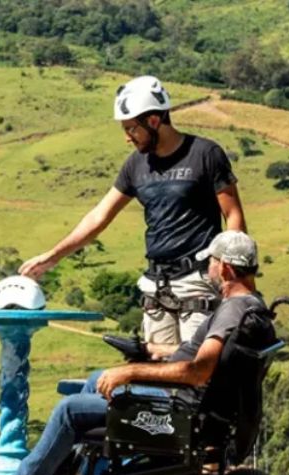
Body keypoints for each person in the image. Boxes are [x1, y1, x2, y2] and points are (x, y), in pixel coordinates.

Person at [0, 231, 268, 475]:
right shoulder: (252, 305)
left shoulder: (231, 310)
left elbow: (197, 371)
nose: (208, 269)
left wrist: (131, 372)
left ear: (226, 269)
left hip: (183, 408)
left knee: (70, 410)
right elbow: (207, 358)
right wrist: (152, 351)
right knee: (94, 381)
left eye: (212, 263)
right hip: (196, 400)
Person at [20, 75, 246, 345]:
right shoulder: (135, 165)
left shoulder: (205, 154)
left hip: (199, 280)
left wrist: (232, 273)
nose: (127, 138)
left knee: (197, 369)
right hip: (156, 285)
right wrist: (52, 256)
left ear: (153, 121)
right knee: (158, 373)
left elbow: (233, 215)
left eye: (131, 129)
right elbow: (98, 217)